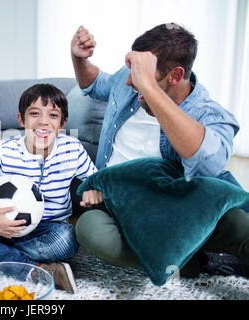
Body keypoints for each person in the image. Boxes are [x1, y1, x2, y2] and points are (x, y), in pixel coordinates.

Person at [71, 23, 249, 279]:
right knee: (91, 232)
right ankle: (188, 261)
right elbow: (95, 85)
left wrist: (151, 91)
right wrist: (79, 59)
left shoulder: (208, 113)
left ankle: (181, 249)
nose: (130, 80)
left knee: (241, 225)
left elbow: (208, 162)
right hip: (118, 202)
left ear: (175, 76)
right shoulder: (128, 79)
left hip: (177, 211)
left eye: (142, 74)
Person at [0, 84, 101, 293]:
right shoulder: (5, 150)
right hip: (1, 226)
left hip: (48, 230)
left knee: (69, 241)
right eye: (34, 113)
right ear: (21, 120)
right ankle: (36, 270)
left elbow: (97, 180)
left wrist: (91, 187)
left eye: (53, 115)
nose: (43, 122)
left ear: (63, 123)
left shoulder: (72, 149)